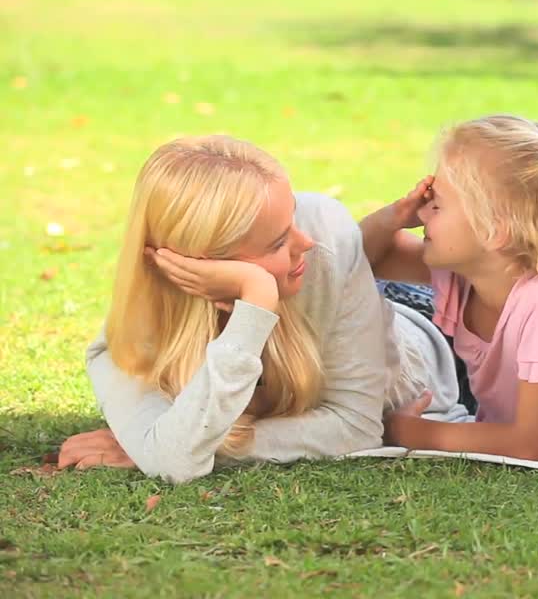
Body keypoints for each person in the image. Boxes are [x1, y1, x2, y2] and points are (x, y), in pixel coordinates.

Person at [56, 136, 467, 483]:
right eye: (275, 244)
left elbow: (354, 428)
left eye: (292, 218)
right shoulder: (123, 348)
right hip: (365, 296)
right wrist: (254, 304)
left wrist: (164, 443)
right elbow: (175, 461)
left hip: (444, 332)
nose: (304, 242)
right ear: (203, 264)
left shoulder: (321, 233)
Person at [364, 115, 538, 461]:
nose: (423, 214)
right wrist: (395, 215)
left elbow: (530, 446)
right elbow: (362, 256)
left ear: (493, 231)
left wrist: (415, 432)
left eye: (436, 204)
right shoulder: (466, 271)